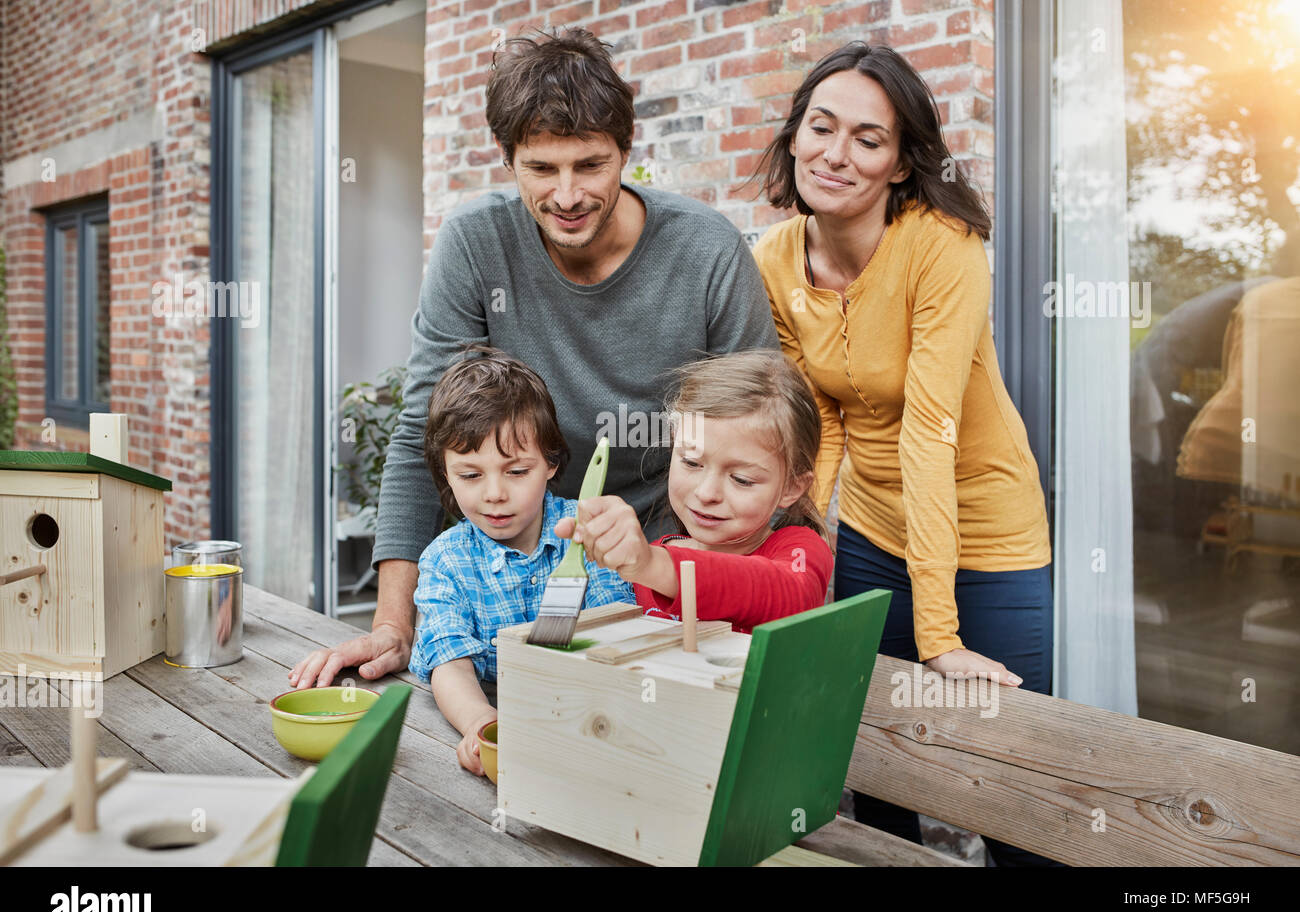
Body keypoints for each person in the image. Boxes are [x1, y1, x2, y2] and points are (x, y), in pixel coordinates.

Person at [289, 28, 776, 690]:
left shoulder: (708, 250)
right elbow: (418, 432)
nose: (568, 196)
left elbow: (760, 437)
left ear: (627, 151)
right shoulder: (475, 243)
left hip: (668, 567)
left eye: (591, 165)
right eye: (542, 169)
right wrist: (393, 627)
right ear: (507, 157)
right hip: (521, 568)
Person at [749, 43, 1056, 866]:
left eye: (868, 139)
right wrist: (812, 544)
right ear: (794, 135)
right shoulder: (774, 262)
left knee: (1011, 775)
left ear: (899, 163)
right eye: (821, 127)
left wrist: (940, 633)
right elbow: (823, 416)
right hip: (880, 532)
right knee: (881, 756)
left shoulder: (942, 247)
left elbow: (929, 429)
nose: (836, 154)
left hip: (989, 529)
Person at [409, 348, 634, 775]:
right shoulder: (444, 561)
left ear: (550, 462)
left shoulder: (584, 531)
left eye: (516, 472)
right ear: (444, 470)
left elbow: (615, 630)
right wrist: (478, 719)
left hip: (594, 726)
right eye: (471, 475)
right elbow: (448, 660)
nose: (494, 493)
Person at [557, 351, 832, 632]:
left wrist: (654, 566)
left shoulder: (800, 549)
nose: (706, 493)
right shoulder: (655, 554)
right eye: (691, 462)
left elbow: (790, 593)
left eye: (741, 479)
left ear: (792, 486)